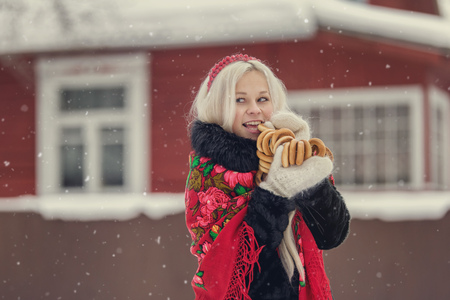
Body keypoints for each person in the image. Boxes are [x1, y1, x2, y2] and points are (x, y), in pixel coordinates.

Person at [185, 54, 350, 300]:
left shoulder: (287, 153)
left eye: (263, 98)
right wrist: (274, 193)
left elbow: (331, 235)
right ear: (218, 107)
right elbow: (242, 277)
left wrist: (311, 180)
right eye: (240, 100)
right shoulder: (208, 175)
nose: (255, 109)